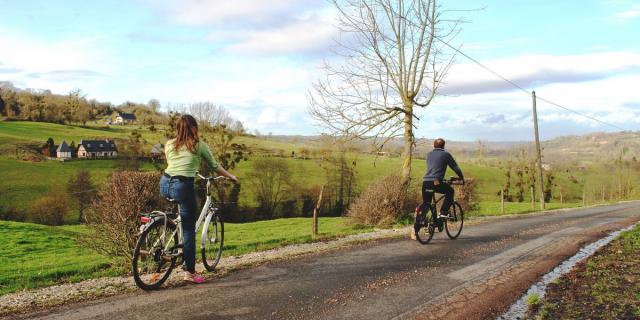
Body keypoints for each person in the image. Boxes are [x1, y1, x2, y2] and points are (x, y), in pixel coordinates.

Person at [160, 114, 238, 283]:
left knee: (181, 218)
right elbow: (215, 166)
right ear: (194, 128)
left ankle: (176, 243)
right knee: (189, 230)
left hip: (165, 183)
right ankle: (190, 273)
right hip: (182, 186)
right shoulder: (199, 146)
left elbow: (172, 163)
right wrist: (231, 176)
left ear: (178, 129)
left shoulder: (169, 144)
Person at [413, 138, 464, 239]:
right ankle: (443, 212)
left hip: (426, 182)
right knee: (450, 191)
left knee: (426, 205)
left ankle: (415, 231)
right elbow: (455, 167)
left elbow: (434, 168)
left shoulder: (429, 154)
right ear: (443, 146)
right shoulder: (445, 155)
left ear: (434, 146)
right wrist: (461, 178)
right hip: (436, 182)